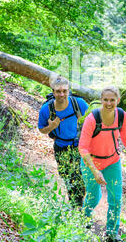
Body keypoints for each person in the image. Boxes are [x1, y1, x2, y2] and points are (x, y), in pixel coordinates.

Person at [78, 85, 126, 242]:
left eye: (112, 100)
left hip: (112, 161)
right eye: (105, 100)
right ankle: (83, 218)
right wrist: (94, 171)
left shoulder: (121, 115)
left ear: (118, 101)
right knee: (94, 198)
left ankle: (111, 234)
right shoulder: (92, 119)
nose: (109, 103)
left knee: (116, 199)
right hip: (91, 162)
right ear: (101, 100)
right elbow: (83, 147)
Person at [38, 75, 88, 207]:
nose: (61, 94)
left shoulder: (79, 104)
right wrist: (51, 127)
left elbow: (92, 121)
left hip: (80, 147)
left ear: (68, 91)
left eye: (64, 91)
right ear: (53, 92)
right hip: (61, 147)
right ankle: (77, 211)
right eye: (58, 91)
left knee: (80, 180)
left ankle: (78, 209)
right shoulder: (46, 109)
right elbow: (41, 129)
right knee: (69, 180)